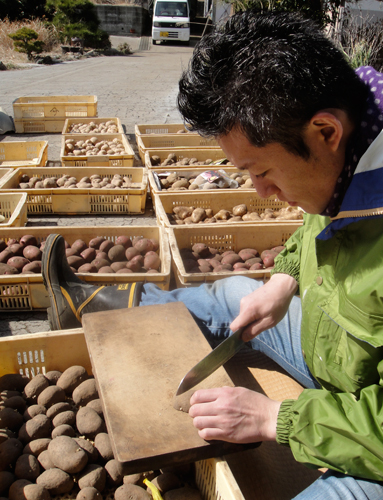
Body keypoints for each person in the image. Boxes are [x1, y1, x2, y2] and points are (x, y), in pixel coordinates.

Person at [42, 10, 383, 499]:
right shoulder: (356, 141)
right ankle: (88, 305)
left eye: (262, 171)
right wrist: (284, 281)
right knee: (234, 295)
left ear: (325, 132)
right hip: (339, 354)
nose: (260, 192)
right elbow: (320, 227)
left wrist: (275, 417)